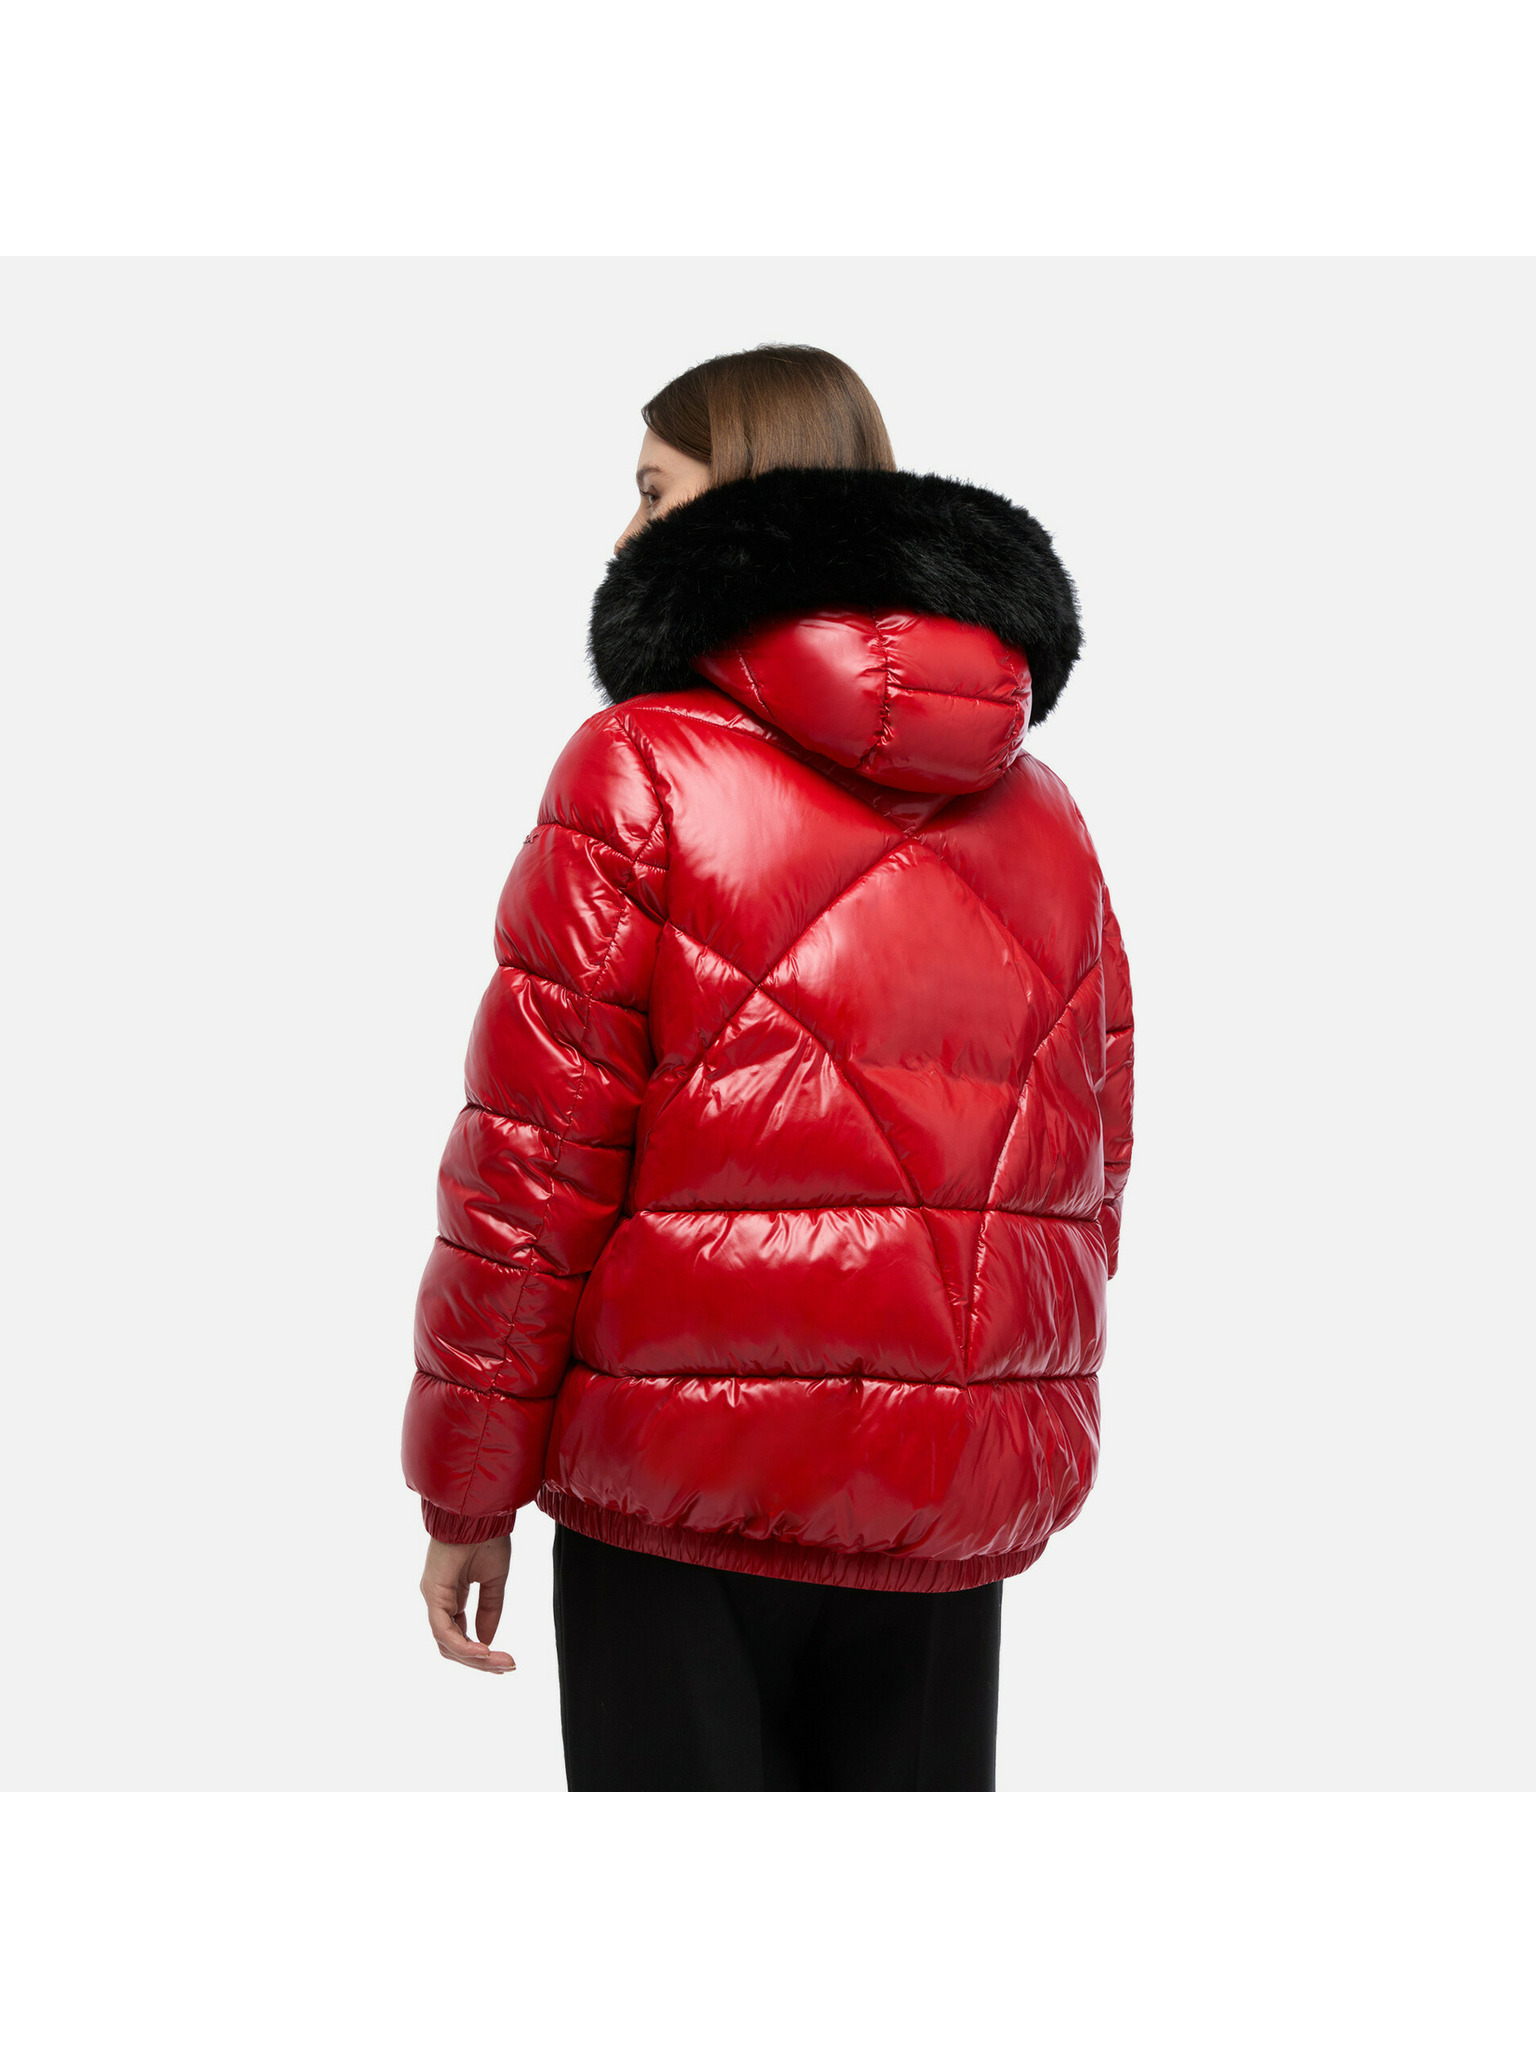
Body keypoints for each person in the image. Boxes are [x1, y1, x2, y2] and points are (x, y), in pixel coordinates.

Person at [403, 344, 1135, 1791]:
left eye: (653, 489)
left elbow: (535, 1160)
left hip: (674, 1491)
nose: (625, 530)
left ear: (743, 498)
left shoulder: (638, 765)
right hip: (945, 1503)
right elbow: (1092, 1163)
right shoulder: (1045, 812)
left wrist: (468, 1485)